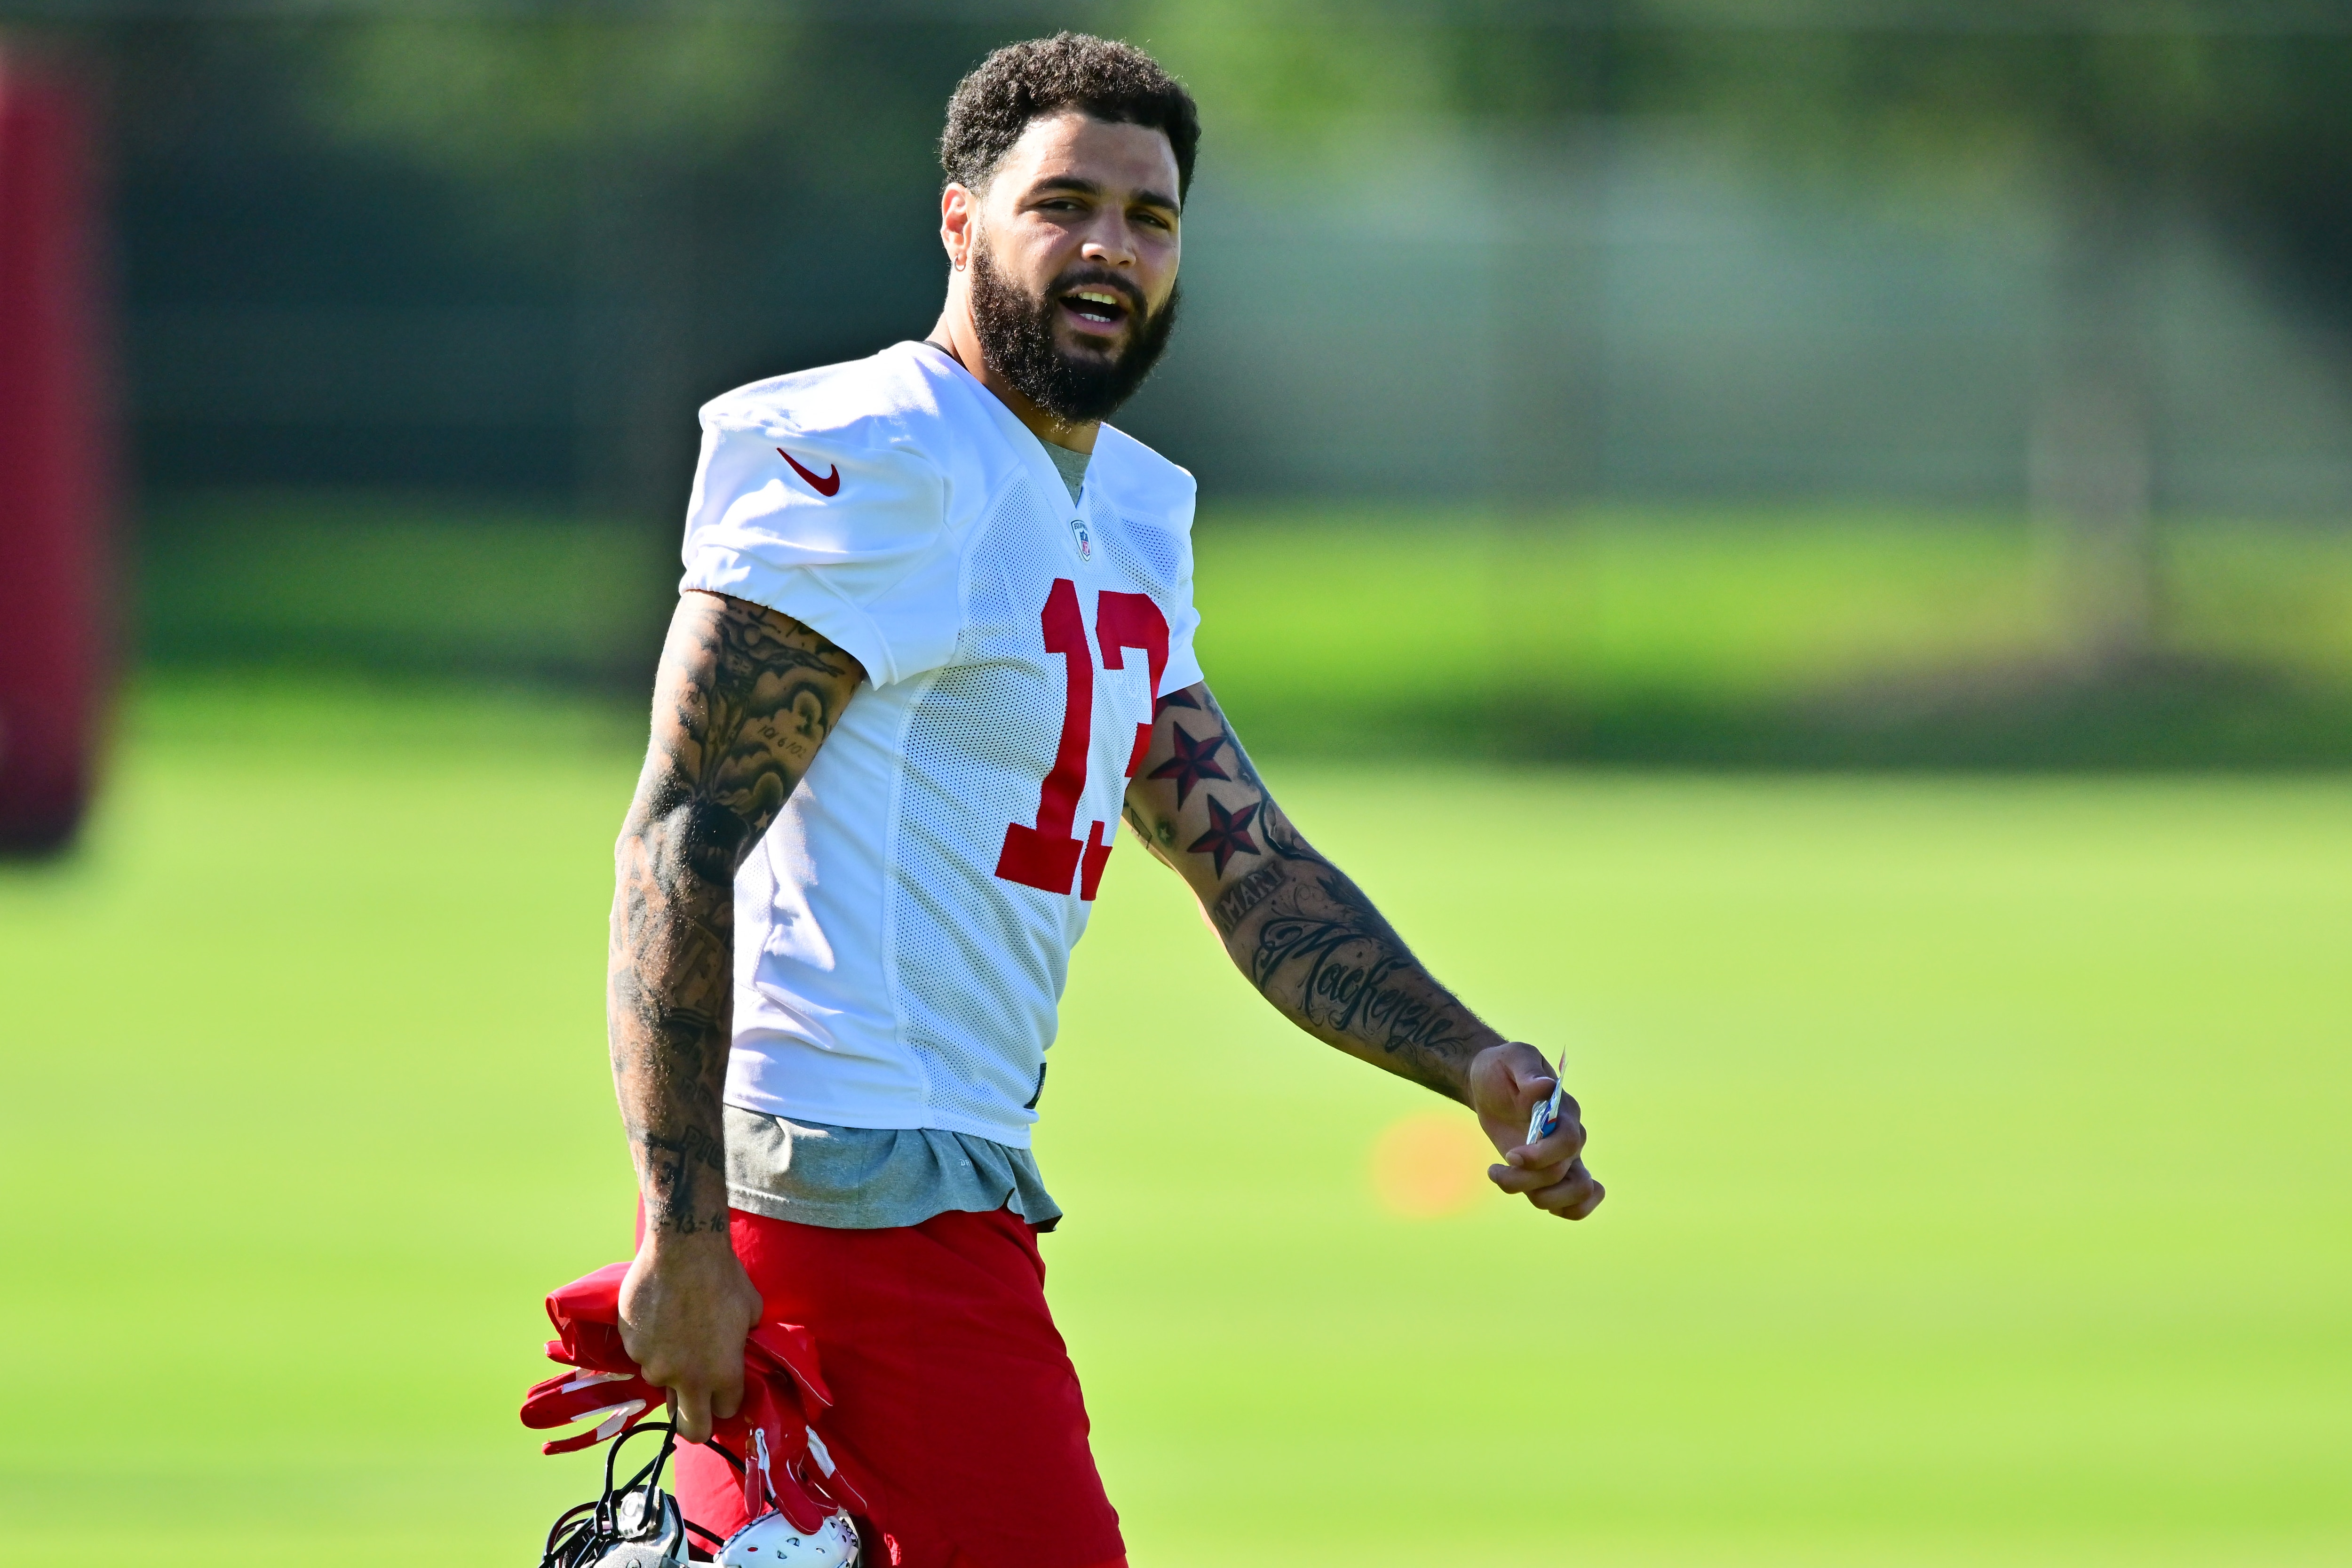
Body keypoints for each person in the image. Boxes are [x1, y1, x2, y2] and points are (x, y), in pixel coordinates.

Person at [605, 33, 1603, 1568]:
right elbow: (683, 840)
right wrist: (678, 1235)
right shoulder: (870, 454)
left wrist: (1469, 1056)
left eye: (1150, 217)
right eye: (1063, 204)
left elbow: (1243, 858)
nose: (1110, 248)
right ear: (961, 222)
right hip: (847, 1188)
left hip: (951, 1179)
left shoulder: (1127, 507)